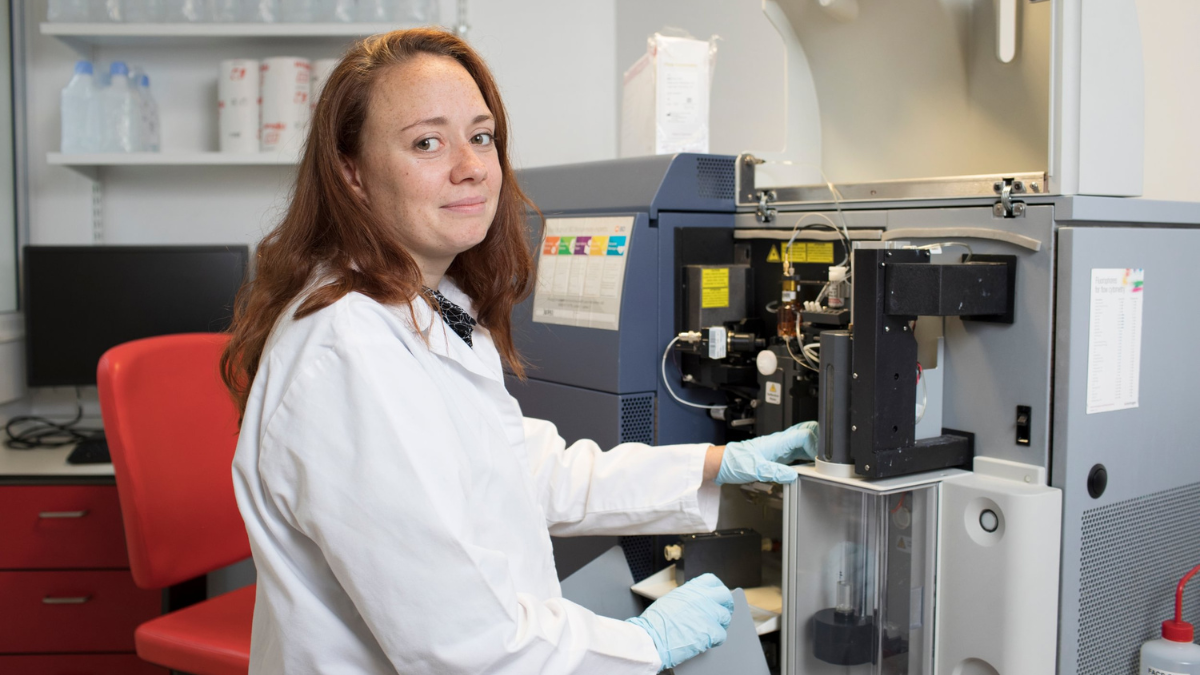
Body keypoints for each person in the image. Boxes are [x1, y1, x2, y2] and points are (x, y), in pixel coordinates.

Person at [221, 28, 818, 674]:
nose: (471, 166)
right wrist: (646, 644)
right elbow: (459, 640)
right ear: (352, 173)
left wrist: (717, 464)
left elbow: (524, 471)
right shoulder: (348, 354)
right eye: (427, 142)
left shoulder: (429, 304)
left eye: (481, 137)